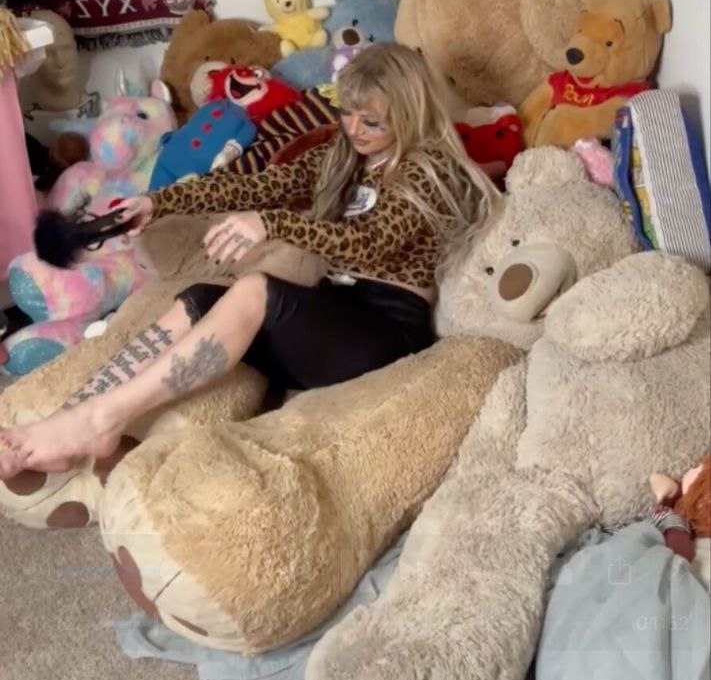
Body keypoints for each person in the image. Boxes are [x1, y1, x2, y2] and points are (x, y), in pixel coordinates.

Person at [0, 43, 497, 482]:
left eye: (372, 122)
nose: (354, 129)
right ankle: (72, 417)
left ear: (410, 116)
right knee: (200, 298)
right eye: (348, 113)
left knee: (258, 288)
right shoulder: (343, 153)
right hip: (331, 317)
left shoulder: (430, 170)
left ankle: (100, 422)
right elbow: (257, 185)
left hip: (385, 331)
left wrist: (273, 224)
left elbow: (368, 244)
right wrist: (159, 201)